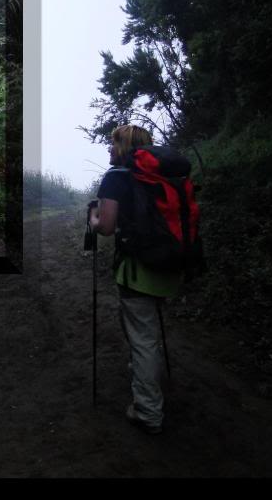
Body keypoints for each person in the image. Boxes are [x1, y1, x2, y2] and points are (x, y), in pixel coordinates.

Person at [88, 124, 182, 435]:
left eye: (114, 143)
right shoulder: (162, 177)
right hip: (170, 263)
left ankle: (148, 411)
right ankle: (145, 373)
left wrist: (93, 217)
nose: (110, 149)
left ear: (126, 146)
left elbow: (106, 228)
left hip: (136, 267)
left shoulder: (116, 177)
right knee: (146, 328)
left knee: (142, 336)